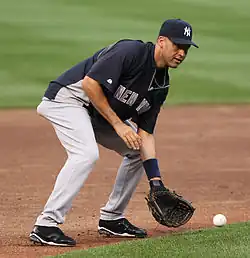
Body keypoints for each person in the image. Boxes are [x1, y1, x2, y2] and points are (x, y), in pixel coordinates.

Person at [29, 18, 198, 247]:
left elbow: (146, 134)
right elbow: (90, 84)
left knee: (136, 149)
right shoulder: (131, 52)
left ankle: (112, 218)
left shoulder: (161, 84)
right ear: (161, 41)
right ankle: (46, 225)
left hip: (97, 113)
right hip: (69, 100)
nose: (181, 53)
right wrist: (118, 125)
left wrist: (156, 182)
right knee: (86, 154)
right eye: (177, 45)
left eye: (185, 48)